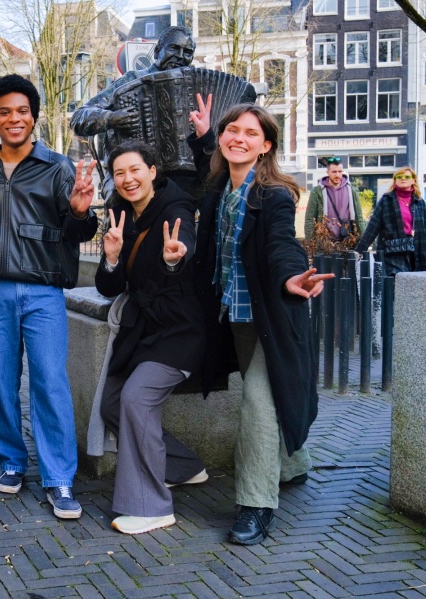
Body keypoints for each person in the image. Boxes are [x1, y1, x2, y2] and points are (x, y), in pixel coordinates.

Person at [187, 95, 331, 545]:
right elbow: (207, 166)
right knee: (269, 398)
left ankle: (255, 506)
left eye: (251, 133)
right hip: (237, 317)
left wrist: (291, 276)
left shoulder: (273, 195)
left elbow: (282, 243)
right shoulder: (220, 189)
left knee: (257, 402)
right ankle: (293, 464)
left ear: (266, 146)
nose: (240, 139)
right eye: (232, 130)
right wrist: (205, 136)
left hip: (273, 315)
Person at [0, 74, 97, 520]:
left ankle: (59, 477)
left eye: (22, 111)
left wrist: (80, 212)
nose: (14, 118)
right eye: (5, 112)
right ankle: (11, 461)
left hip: (43, 292)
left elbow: (80, 232)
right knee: (0, 381)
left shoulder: (58, 168)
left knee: (50, 382)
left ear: (33, 117)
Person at [93, 141, 206, 535]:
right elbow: (109, 287)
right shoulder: (121, 215)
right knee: (111, 403)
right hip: (142, 332)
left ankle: (151, 506)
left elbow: (183, 243)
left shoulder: (175, 208)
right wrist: (111, 258)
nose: (128, 179)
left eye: (135, 170)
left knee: (136, 398)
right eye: (119, 173)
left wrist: (175, 258)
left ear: (153, 171)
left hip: (178, 330)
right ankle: (183, 467)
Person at [71, 26, 256, 206]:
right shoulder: (132, 81)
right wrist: (111, 118)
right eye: (174, 48)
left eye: (187, 52)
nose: (181, 56)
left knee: (217, 196)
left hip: (187, 181)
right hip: (135, 174)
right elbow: (79, 117)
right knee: (119, 203)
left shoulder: (200, 84)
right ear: (157, 51)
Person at [354, 167, 425, 276]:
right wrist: (359, 250)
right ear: (395, 180)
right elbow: (373, 226)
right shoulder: (386, 200)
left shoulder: (419, 202)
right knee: (398, 281)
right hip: (393, 251)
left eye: (407, 177)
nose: (403, 179)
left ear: (413, 180)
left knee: (416, 282)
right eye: (399, 177)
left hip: (417, 250)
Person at [304, 158, 365, 246]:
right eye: (334, 172)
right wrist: (310, 244)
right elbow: (310, 219)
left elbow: (359, 218)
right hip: (325, 243)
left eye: (340, 171)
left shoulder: (351, 190)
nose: (337, 175)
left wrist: (363, 243)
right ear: (327, 172)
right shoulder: (317, 191)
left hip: (348, 241)